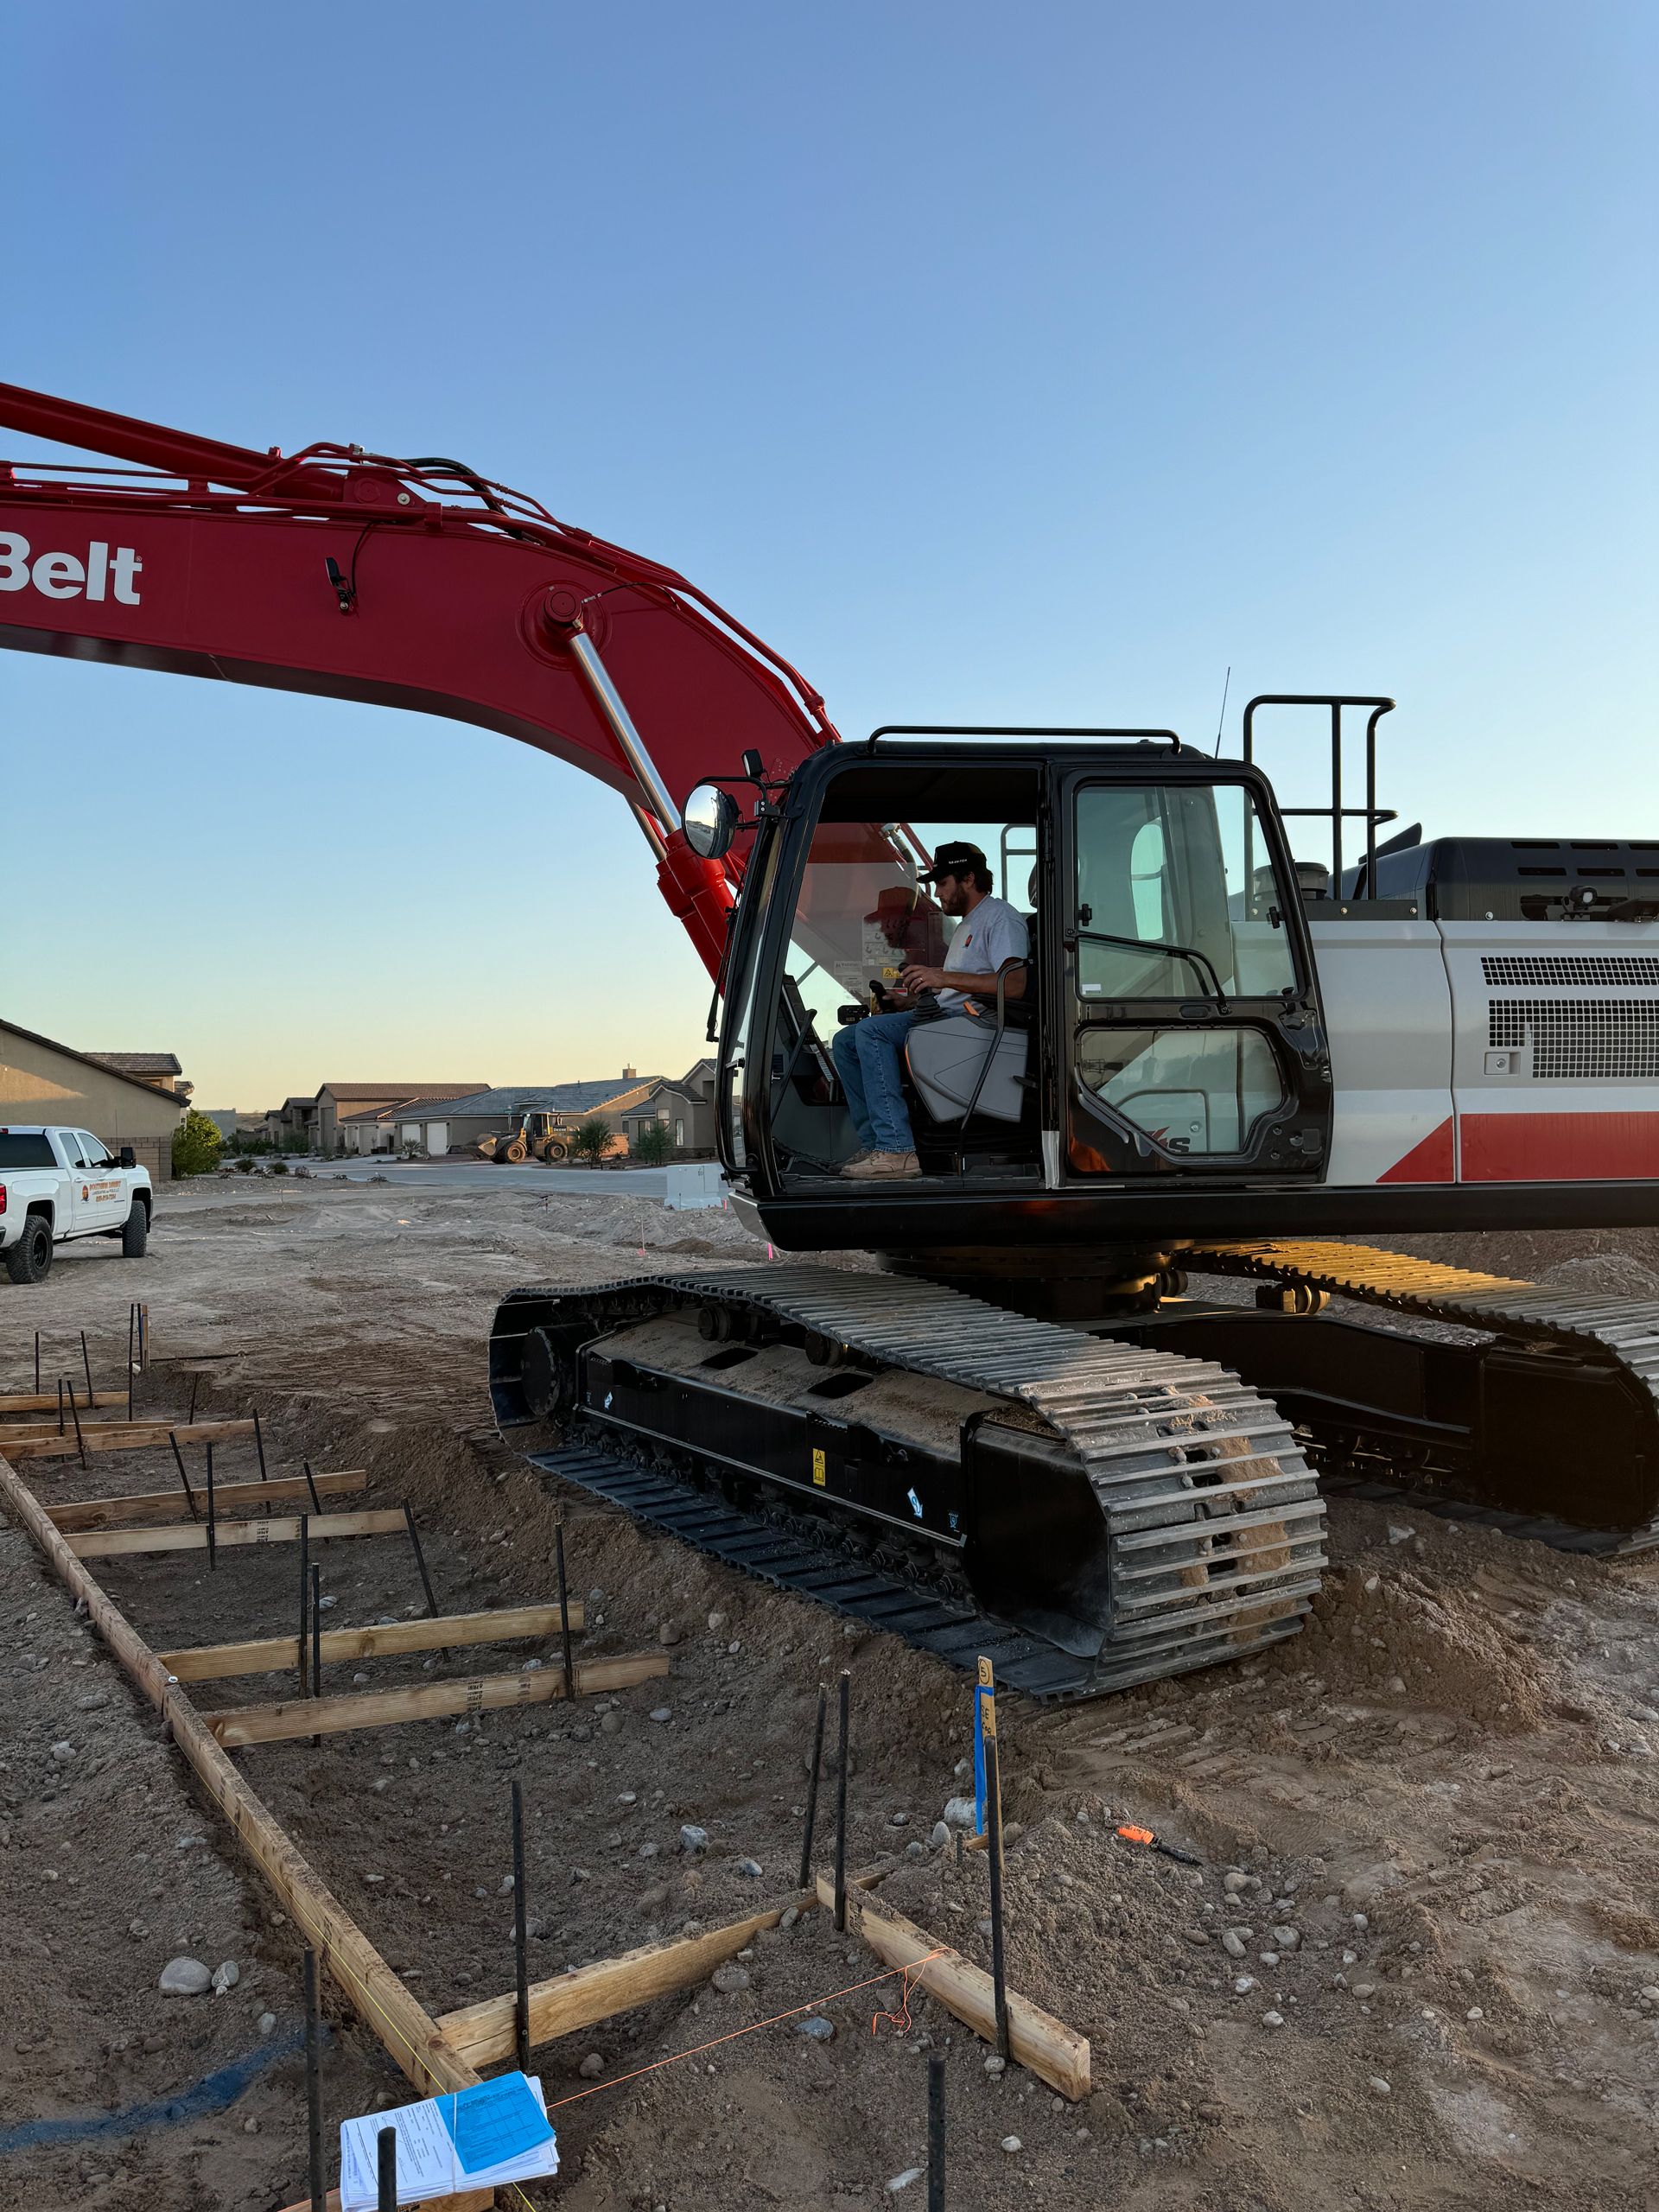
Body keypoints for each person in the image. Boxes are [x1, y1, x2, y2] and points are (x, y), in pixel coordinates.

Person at [830, 841, 1029, 1179]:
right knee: (846, 1041)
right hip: (953, 1016)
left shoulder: (1000, 918)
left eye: (942, 883)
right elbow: (958, 986)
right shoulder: (969, 923)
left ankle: (898, 1150)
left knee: (870, 1032)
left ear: (968, 878)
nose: (937, 893)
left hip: (979, 1024)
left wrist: (941, 975)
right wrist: (911, 999)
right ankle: (876, 1143)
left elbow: (1015, 985)